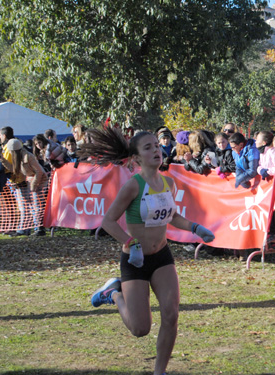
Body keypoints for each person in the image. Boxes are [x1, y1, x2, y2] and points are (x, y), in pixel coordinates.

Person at [80, 128, 215, 375]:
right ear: (136, 159)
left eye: (156, 145)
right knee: (140, 329)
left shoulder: (169, 183)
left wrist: (195, 227)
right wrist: (131, 244)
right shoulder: (133, 186)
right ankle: (113, 294)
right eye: (148, 148)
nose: (155, 150)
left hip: (162, 256)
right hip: (135, 261)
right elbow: (108, 221)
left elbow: (172, 216)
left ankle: (159, 371)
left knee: (171, 314)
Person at [1, 139, 48, 236]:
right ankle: (24, 229)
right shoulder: (17, 157)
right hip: (29, 181)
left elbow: (39, 172)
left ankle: (39, 229)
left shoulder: (28, 157)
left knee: (36, 206)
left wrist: (34, 185)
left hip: (39, 181)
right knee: (26, 207)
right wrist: (2, 160)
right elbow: (14, 170)